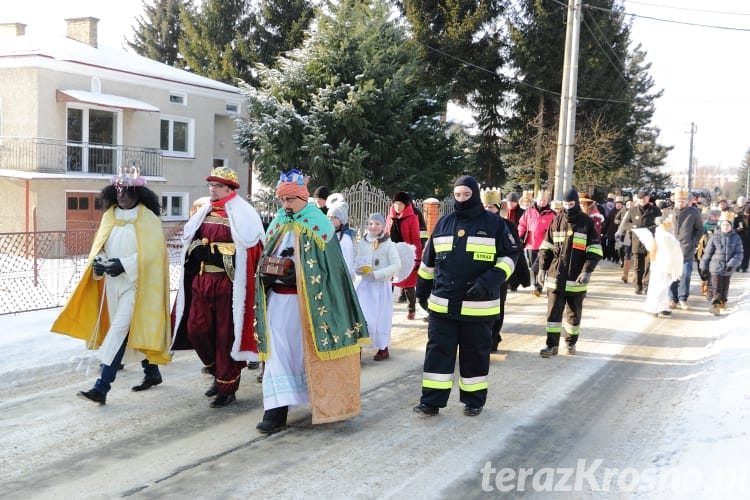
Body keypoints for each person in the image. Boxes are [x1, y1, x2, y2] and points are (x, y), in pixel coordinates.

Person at [255, 169, 369, 434]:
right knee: (276, 355)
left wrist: (297, 273)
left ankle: (324, 401)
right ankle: (275, 411)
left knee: (304, 353)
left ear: (302, 198)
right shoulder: (279, 221)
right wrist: (267, 271)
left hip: (306, 306)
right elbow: (266, 253)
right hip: (277, 302)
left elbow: (330, 269)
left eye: (291, 199)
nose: (286, 205)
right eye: (282, 200)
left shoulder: (319, 223)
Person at [52, 166, 172, 405]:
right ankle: (152, 372)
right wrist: (98, 264)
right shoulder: (109, 216)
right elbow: (100, 247)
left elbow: (153, 253)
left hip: (138, 287)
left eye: (127, 191)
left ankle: (102, 387)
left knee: (118, 331)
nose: (122, 196)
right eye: (118, 191)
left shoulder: (147, 218)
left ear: (138, 193)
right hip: (112, 287)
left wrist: (126, 265)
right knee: (129, 330)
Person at [414, 175, 520, 417]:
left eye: (466, 195)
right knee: (438, 354)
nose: (461, 199)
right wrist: (422, 290)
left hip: (478, 307)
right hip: (443, 305)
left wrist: (490, 280)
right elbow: (428, 261)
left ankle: (474, 401)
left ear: (475, 194)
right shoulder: (443, 223)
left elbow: (511, 256)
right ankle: (431, 401)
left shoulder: (494, 224)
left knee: (475, 355)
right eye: (458, 195)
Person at [172, 166, 265, 408]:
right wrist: (197, 252)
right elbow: (189, 244)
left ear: (230, 188)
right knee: (197, 330)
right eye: (211, 185)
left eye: (218, 186)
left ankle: (227, 385)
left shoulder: (244, 213)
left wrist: (217, 254)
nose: (212, 189)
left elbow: (249, 251)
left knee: (225, 334)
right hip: (202, 282)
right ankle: (217, 372)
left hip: (228, 284)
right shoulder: (204, 211)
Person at [537, 189, 602, 357]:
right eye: (565, 204)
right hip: (555, 277)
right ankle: (551, 346)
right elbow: (546, 247)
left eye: (571, 204)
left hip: (576, 278)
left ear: (576, 204)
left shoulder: (586, 223)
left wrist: (587, 271)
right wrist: (542, 268)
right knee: (553, 314)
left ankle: (570, 343)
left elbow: (594, 251)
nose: (567, 208)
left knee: (573, 314)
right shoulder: (556, 221)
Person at [481, 189, 529, 351]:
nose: (488, 210)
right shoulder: (475, 225)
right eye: (485, 206)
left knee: (497, 308)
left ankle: (493, 338)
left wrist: (523, 276)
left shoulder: (507, 225)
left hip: (500, 274)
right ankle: (485, 338)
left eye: (491, 207)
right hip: (479, 275)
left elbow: (517, 251)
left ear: (497, 207)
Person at [355, 213, 401, 361]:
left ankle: (383, 347)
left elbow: (396, 265)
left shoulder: (388, 244)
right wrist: (358, 269)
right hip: (365, 286)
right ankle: (359, 347)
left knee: (381, 317)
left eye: (377, 224)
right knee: (362, 316)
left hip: (381, 287)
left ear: (383, 226)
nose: (373, 227)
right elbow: (357, 260)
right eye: (371, 223)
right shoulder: (362, 242)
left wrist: (378, 274)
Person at [386, 191, 423, 320]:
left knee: (408, 285)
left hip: (407, 254)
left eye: (400, 204)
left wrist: (417, 259)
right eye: (395, 204)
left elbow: (416, 239)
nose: (397, 206)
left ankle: (411, 309)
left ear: (406, 205)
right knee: (388, 282)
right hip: (391, 254)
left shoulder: (412, 218)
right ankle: (385, 307)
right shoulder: (390, 217)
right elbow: (386, 235)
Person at [617, 188, 661, 295]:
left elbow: (660, 223)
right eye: (641, 198)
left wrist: (651, 228)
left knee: (649, 264)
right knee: (638, 266)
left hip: (651, 241)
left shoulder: (655, 210)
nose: (643, 200)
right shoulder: (632, 210)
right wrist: (634, 226)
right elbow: (625, 223)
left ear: (648, 198)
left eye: (645, 198)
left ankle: (646, 285)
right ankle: (638, 285)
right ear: (638, 199)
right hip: (637, 241)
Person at [700, 211, 744, 315]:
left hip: (728, 267)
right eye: (723, 225)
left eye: (728, 225)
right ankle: (715, 305)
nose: (725, 227)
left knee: (725, 286)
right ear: (720, 225)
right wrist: (703, 267)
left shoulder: (736, 237)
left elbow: (739, 253)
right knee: (716, 286)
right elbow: (707, 253)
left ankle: (723, 301)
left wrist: (732, 264)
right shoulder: (715, 237)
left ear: (731, 226)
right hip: (715, 266)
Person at [667, 188, 704, 310]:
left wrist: (693, 242)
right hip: (671, 249)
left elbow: (700, 229)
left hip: (686, 248)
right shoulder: (669, 212)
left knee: (685, 274)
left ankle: (683, 298)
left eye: (683, 201)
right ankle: (673, 299)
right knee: (672, 275)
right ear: (675, 201)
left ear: (687, 201)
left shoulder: (693, 212)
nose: (680, 203)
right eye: (678, 201)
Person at [641, 217, 683, 318]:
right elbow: (670, 252)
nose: (672, 226)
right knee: (661, 287)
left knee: (663, 286)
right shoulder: (664, 236)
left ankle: (663, 307)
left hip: (662, 264)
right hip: (664, 265)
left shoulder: (663, 235)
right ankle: (654, 308)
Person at [517, 190, 556, 296]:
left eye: (544, 200)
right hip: (531, 244)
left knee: (540, 267)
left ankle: (538, 287)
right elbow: (522, 224)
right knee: (533, 269)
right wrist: (520, 235)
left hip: (545, 245)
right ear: (536, 200)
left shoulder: (552, 214)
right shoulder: (529, 212)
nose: (542, 202)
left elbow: (555, 228)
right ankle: (536, 285)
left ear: (547, 201)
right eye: (540, 200)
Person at [326, 193, 356, 279]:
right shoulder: (332, 234)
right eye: (329, 217)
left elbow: (346, 259)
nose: (330, 220)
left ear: (342, 220)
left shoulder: (345, 238)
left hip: (341, 276)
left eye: (334, 217)